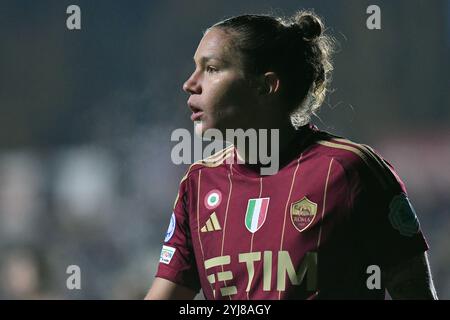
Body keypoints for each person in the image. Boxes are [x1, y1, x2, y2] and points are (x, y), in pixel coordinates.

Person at [145, 10, 437, 300]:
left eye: (212, 69)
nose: (190, 83)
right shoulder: (199, 184)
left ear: (266, 85)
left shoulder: (349, 170)